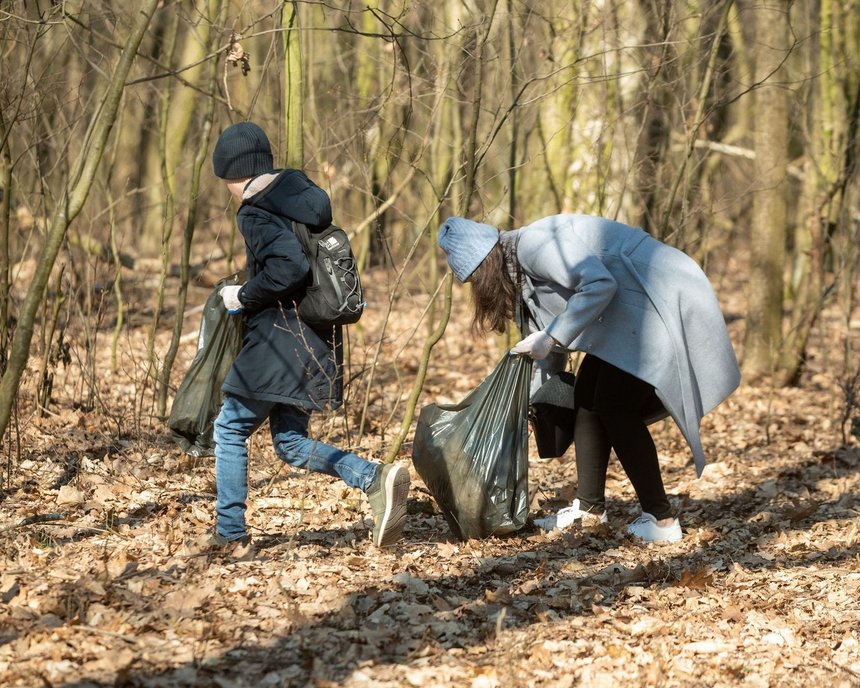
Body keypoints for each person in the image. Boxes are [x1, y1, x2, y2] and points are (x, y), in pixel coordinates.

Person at [437, 214, 740, 543]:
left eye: (476, 276)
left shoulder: (536, 246)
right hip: (631, 311)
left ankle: (663, 521)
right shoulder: (520, 274)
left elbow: (599, 284)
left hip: (661, 294)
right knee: (588, 396)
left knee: (614, 403)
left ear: (489, 261)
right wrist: (529, 405)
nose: (478, 287)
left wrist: (551, 337)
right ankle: (589, 508)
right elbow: (546, 353)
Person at [208, 121, 409, 553]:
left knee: (229, 429)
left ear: (234, 175)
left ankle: (229, 535)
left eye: (225, 181)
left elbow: (290, 267)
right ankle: (374, 478)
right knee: (291, 444)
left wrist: (242, 294)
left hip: (278, 340)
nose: (226, 190)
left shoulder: (256, 210)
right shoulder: (300, 196)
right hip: (315, 338)